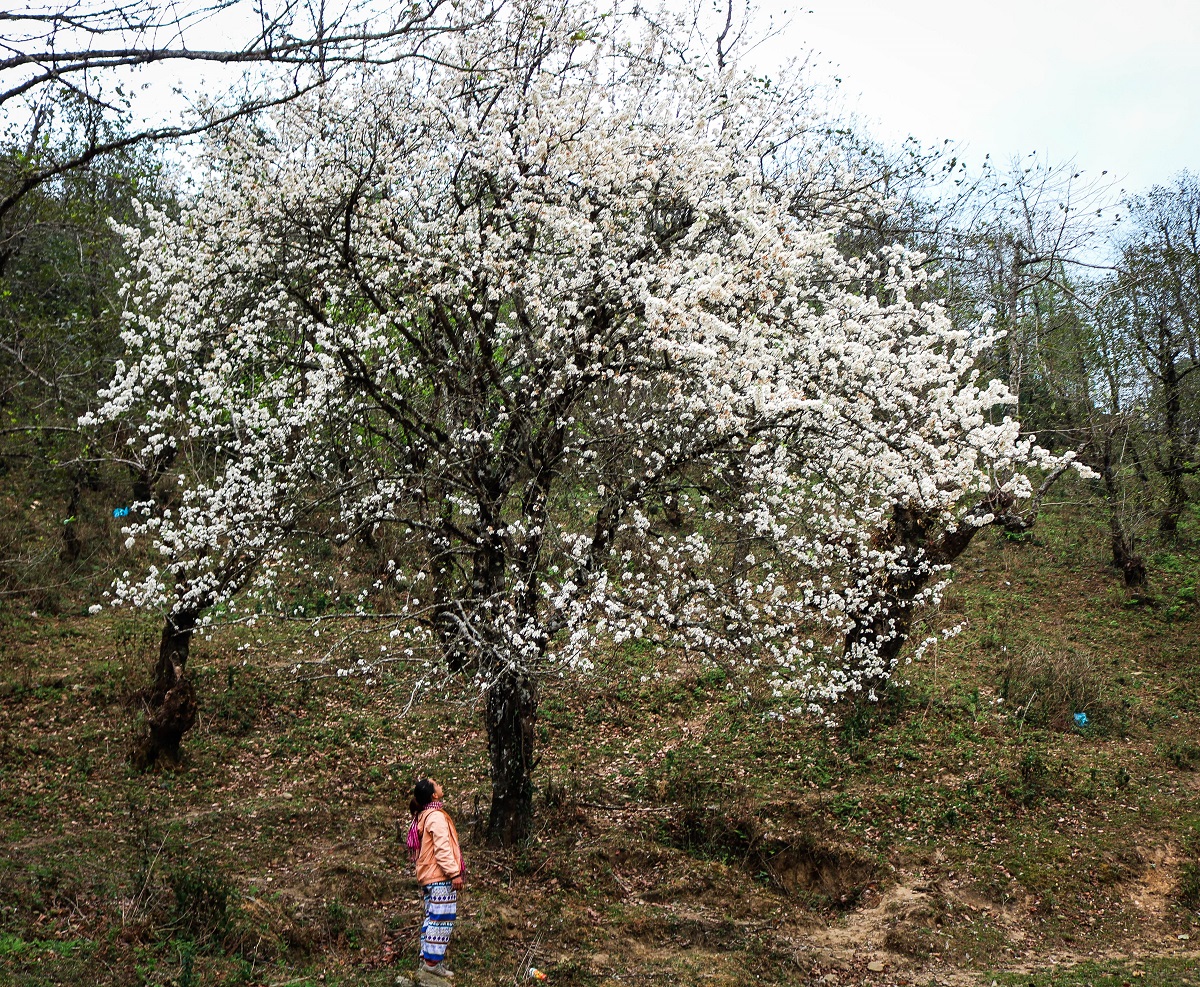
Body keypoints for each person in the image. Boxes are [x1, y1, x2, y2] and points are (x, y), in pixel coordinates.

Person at [406, 778, 465, 983]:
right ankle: (432, 965)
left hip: (429, 877)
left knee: (432, 918)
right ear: (434, 795)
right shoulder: (436, 817)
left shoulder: (425, 816)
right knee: (441, 920)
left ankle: (429, 961)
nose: (441, 785)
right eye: (437, 784)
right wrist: (454, 873)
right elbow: (442, 849)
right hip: (439, 877)